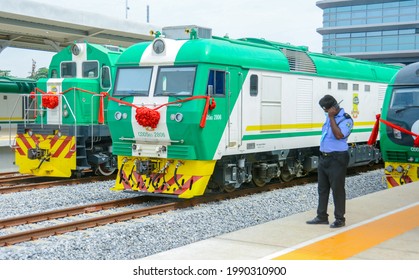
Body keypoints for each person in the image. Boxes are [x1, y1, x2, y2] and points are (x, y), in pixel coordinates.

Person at [306, 94, 353, 228]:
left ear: (333, 108)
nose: (325, 112)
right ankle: (321, 216)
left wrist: (331, 117)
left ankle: (340, 219)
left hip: (337, 158)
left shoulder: (346, 119)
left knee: (337, 189)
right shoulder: (329, 118)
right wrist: (330, 117)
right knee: (322, 188)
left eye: (326, 110)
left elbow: (339, 135)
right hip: (324, 157)